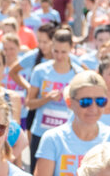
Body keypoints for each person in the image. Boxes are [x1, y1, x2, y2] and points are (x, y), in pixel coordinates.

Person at [27, 28, 83, 157]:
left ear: (71, 49)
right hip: (41, 133)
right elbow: (29, 103)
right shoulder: (40, 71)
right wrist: (47, 99)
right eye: (56, 51)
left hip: (66, 136)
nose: (59, 56)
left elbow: (82, 107)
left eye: (64, 52)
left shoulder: (78, 74)